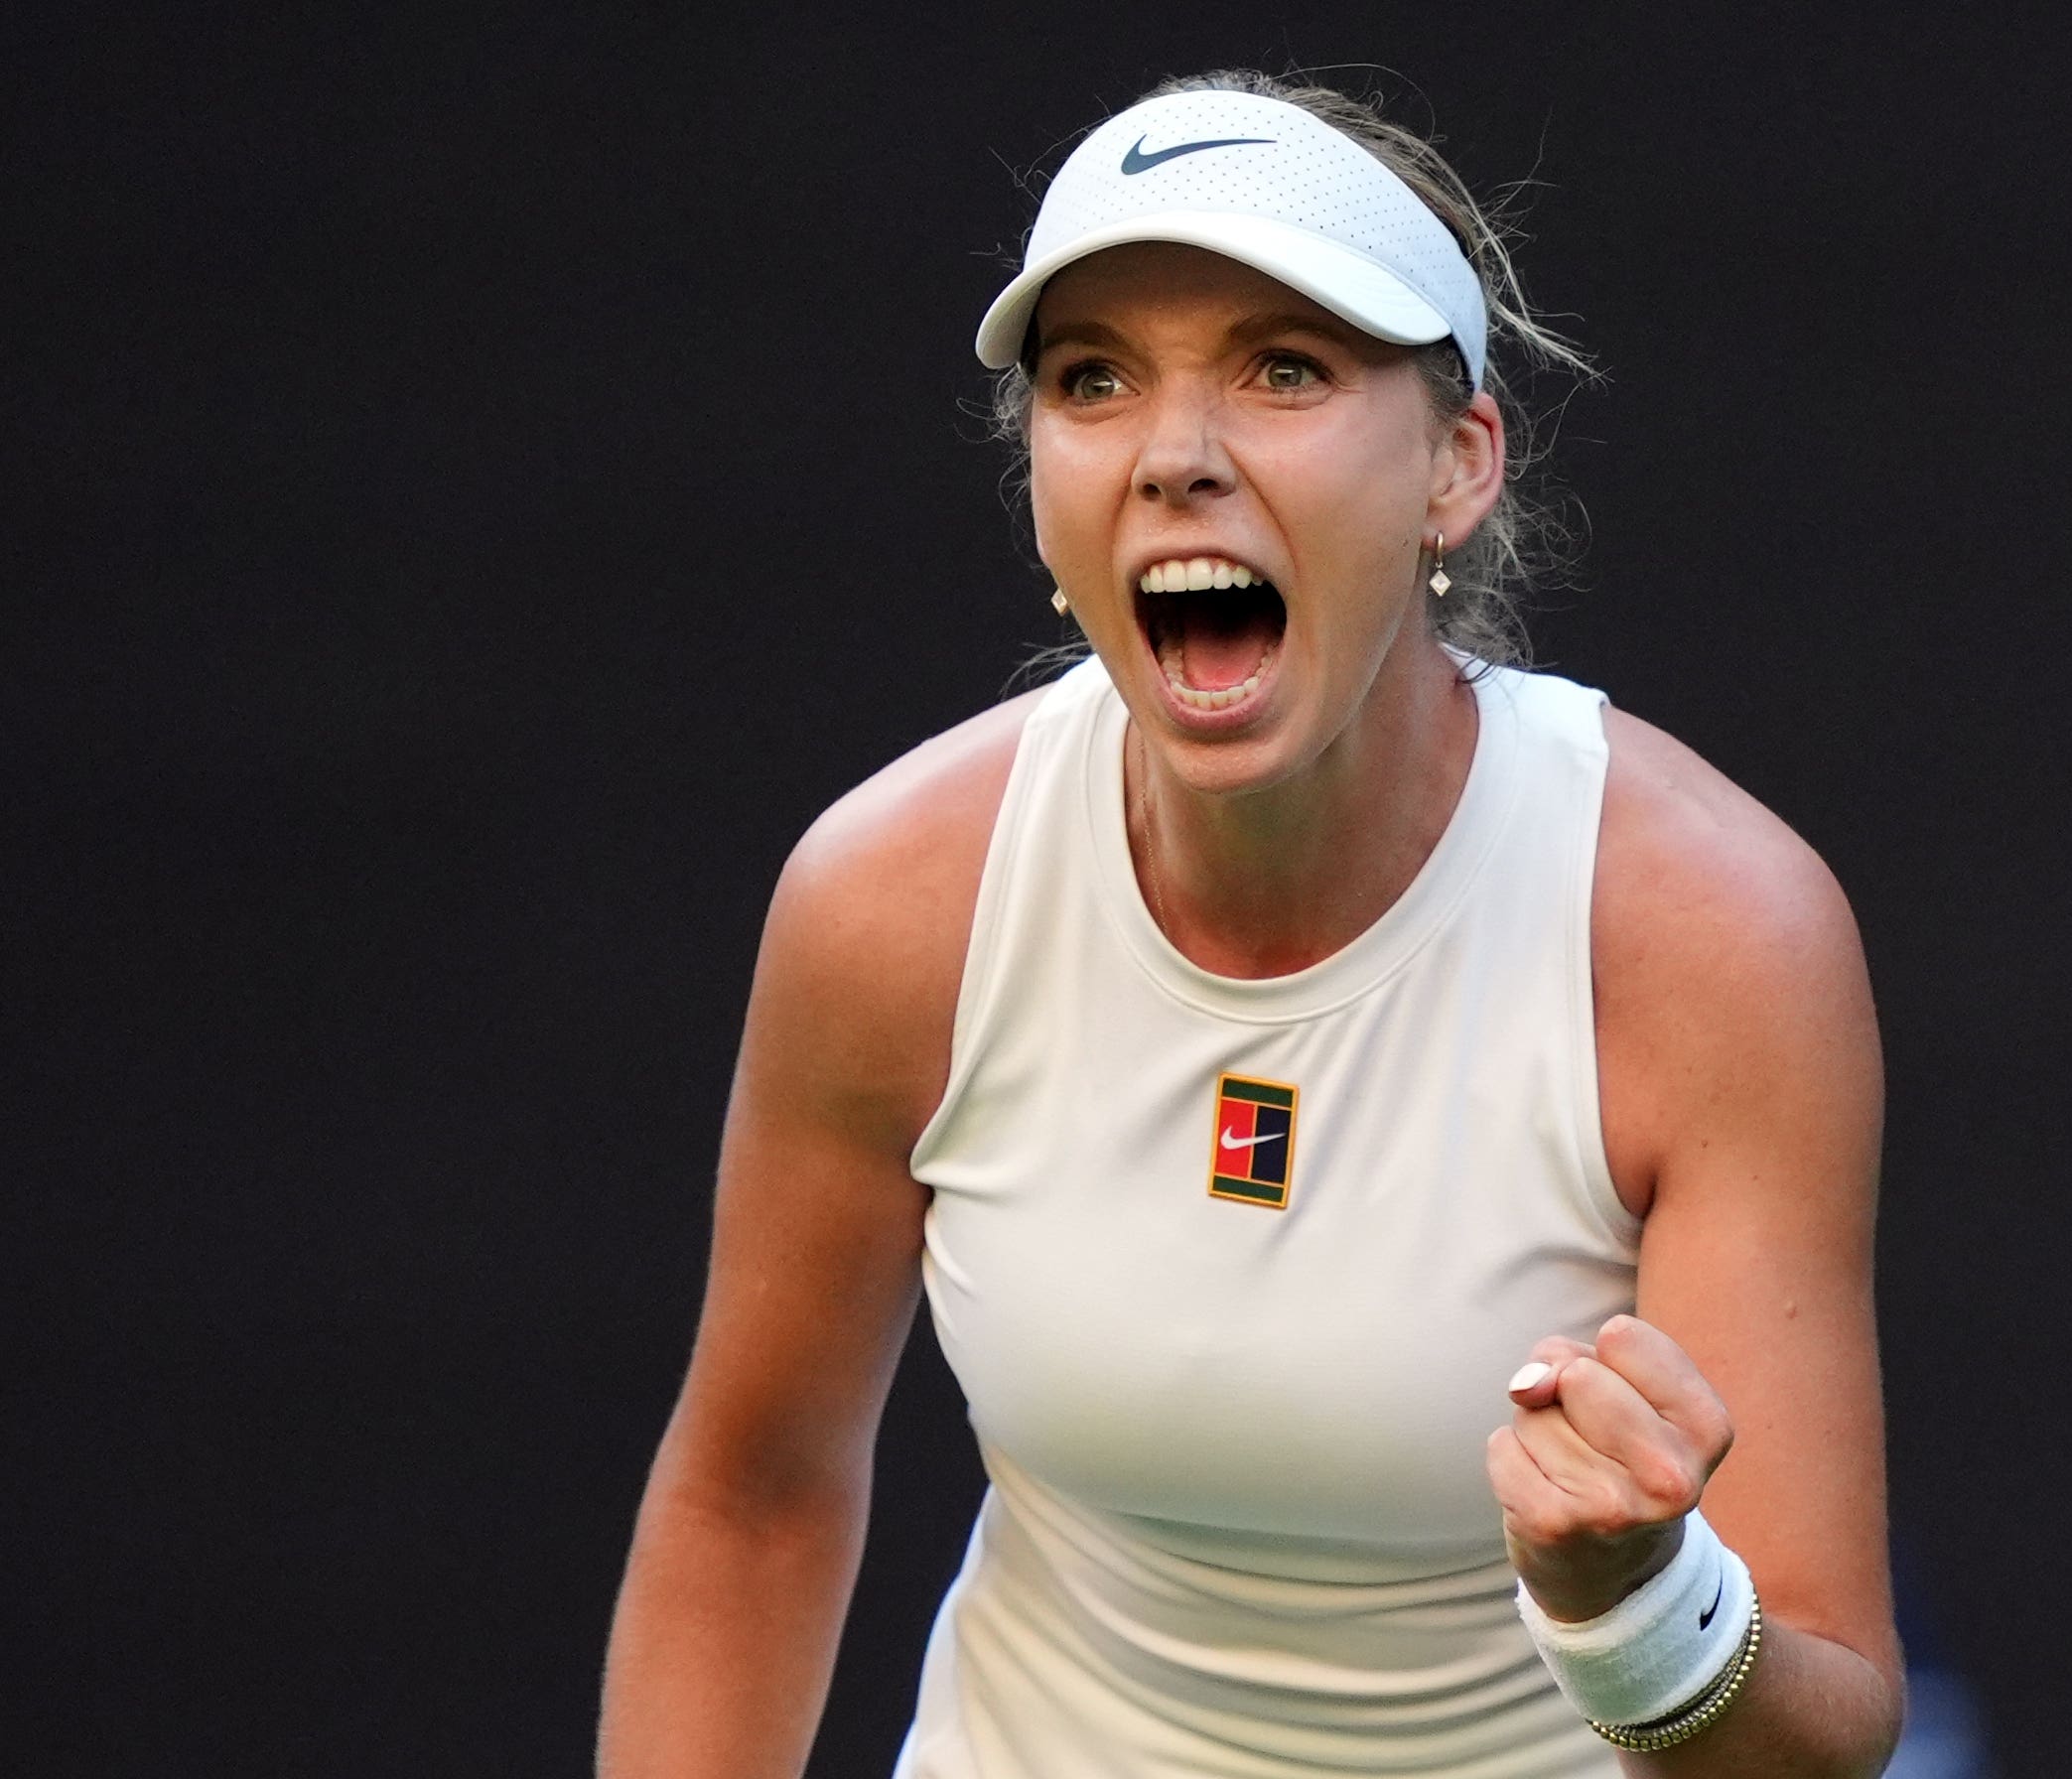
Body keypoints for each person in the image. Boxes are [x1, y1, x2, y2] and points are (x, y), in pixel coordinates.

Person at [599, 69, 1902, 1778]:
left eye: (1285, 371)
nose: (1177, 457)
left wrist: (1642, 1611)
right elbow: (749, 1504)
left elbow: (1826, 1725)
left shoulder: (1713, 931)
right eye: (1094, 381)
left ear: (1459, 465)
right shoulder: (892, 900)